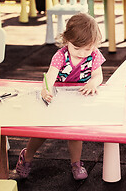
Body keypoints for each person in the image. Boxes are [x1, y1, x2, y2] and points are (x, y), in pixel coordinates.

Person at [15, 13, 105, 180]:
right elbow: (50, 76)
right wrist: (46, 90)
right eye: (77, 48)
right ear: (66, 41)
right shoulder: (61, 56)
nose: (82, 53)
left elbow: (98, 75)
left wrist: (93, 83)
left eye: (88, 48)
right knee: (43, 130)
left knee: (75, 133)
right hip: (58, 97)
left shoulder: (94, 55)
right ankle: (27, 156)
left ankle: (76, 164)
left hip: (78, 96)